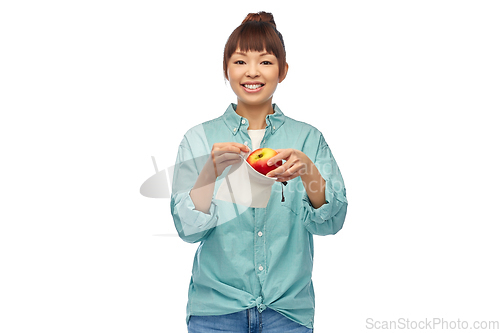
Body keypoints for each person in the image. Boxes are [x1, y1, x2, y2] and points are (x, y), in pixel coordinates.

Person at [170, 11, 348, 333]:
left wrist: (308, 170)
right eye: (240, 61)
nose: (252, 72)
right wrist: (208, 174)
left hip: (288, 312)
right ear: (226, 68)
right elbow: (188, 229)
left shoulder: (308, 138)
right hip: (216, 313)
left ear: (283, 71)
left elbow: (332, 222)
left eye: (265, 61)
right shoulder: (198, 139)